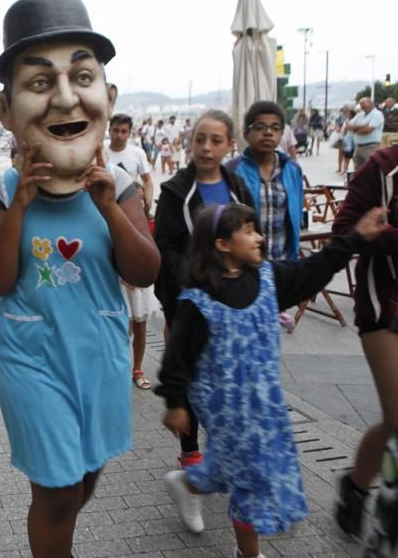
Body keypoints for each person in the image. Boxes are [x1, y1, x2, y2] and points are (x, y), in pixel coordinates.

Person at [0, 0, 160, 556]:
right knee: (56, 490)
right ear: (5, 110)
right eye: (37, 83)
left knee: (85, 475)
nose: (63, 98)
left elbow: (146, 268)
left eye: (81, 77)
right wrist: (23, 204)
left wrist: (108, 206)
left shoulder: (119, 187)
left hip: (99, 352)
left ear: (107, 95)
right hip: (31, 357)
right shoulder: (4, 191)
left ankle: (57, 533)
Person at [156, 203, 384, 558]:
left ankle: (188, 483)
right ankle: (249, 553)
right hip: (224, 407)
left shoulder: (268, 279)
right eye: (248, 230)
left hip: (266, 402)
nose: (259, 237)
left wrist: (354, 238)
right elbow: (177, 359)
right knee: (249, 476)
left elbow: (314, 268)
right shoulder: (198, 302)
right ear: (222, 244)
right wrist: (176, 403)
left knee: (231, 466)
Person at [153, 110, 254, 469]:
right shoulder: (175, 191)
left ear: (230, 145)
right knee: (190, 375)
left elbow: (249, 237)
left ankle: (224, 446)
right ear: (190, 142)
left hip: (234, 303)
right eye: (199, 139)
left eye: (215, 140)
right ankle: (190, 450)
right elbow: (164, 247)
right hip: (189, 301)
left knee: (228, 376)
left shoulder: (239, 188)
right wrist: (193, 286)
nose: (206, 147)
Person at [331, 145, 398, 545]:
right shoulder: (383, 166)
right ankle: (384, 514)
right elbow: (345, 232)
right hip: (384, 302)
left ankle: (357, 486)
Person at [225, 101, 305, 328]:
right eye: (260, 126)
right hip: (242, 268)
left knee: (268, 330)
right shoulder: (233, 170)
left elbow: (295, 216)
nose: (268, 132)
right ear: (246, 132)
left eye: (275, 127)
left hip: (279, 265)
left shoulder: (292, 169)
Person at [105, 113, 157, 390]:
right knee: (119, 321)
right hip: (109, 235)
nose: (120, 135)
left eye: (125, 131)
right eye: (116, 130)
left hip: (133, 228)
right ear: (110, 130)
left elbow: (147, 180)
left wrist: (146, 200)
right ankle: (119, 366)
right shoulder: (101, 154)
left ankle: (137, 368)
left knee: (140, 321)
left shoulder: (136, 154)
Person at [347, 96, 385, 168]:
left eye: (363, 103)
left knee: (370, 170)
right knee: (358, 172)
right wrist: (363, 126)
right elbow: (348, 126)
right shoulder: (359, 115)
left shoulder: (377, 114)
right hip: (358, 148)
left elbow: (368, 130)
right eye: (360, 104)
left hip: (370, 147)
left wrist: (354, 129)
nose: (362, 106)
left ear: (371, 103)